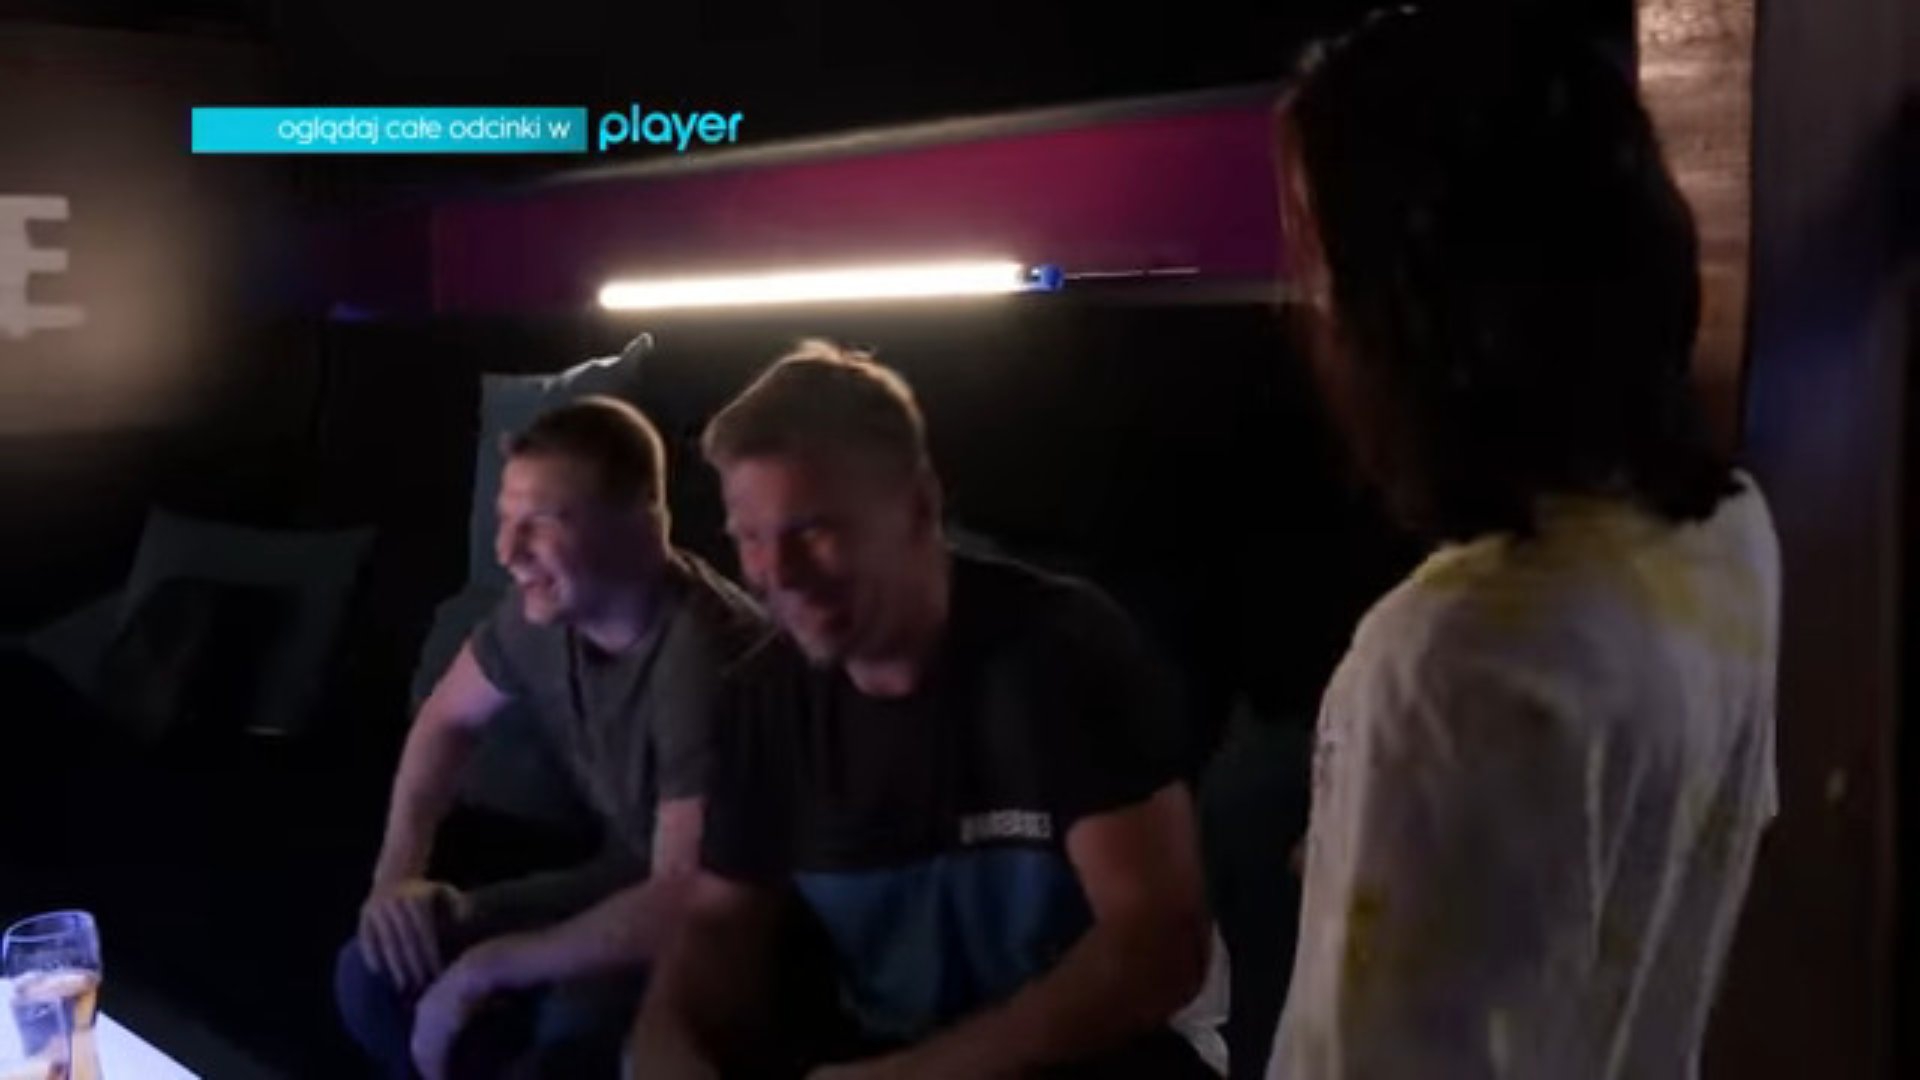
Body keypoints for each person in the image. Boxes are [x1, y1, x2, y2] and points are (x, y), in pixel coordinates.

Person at [1265, 9, 1781, 1079]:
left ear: (1423, 307)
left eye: (1325, 259)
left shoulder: (1445, 658)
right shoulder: (1731, 532)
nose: (1308, 305)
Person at [629, 341, 1226, 1079]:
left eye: (813, 530)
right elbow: (718, 930)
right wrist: (665, 1051)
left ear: (920, 506)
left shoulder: (1061, 653)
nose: (778, 575)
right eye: (750, 539)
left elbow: (1158, 949)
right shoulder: (762, 699)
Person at [335, 396, 766, 1079]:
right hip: (629, 877)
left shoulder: (706, 661)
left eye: (540, 522)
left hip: (743, 926)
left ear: (642, 523)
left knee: (571, 1036)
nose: (508, 553)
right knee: (374, 968)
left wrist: (488, 967)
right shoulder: (542, 611)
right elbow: (445, 722)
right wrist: (395, 881)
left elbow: (686, 899)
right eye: (506, 520)